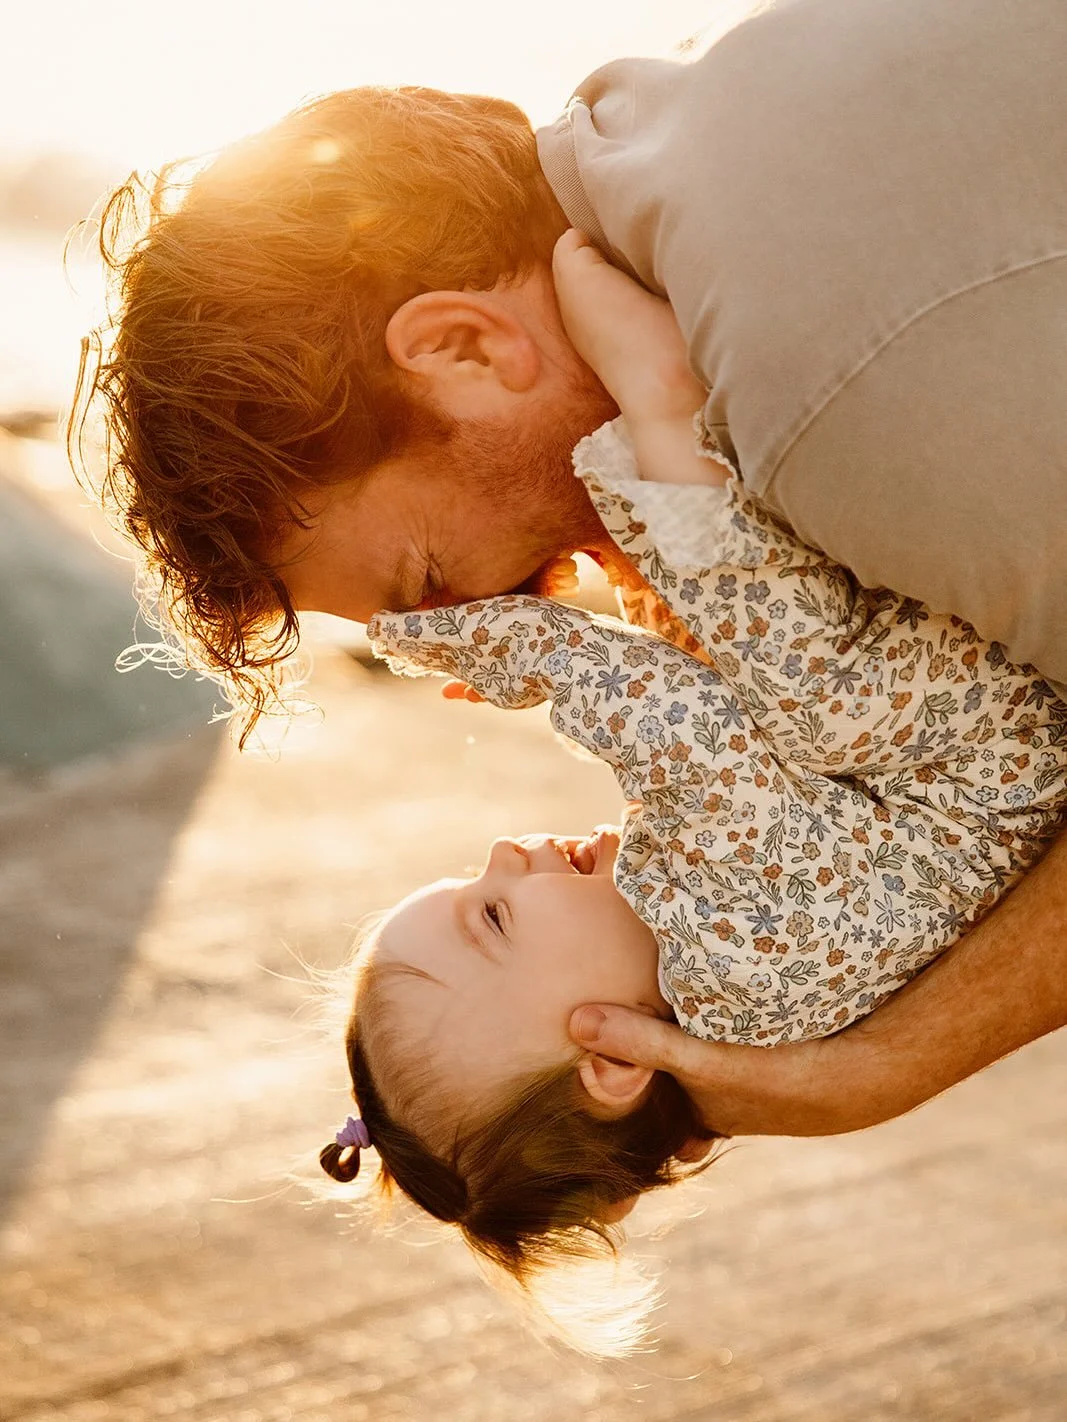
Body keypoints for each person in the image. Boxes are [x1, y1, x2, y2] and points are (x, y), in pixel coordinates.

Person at [72, 0, 1067, 1134]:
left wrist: (886, 1068)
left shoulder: (817, 408)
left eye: (440, 581)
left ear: (463, 348)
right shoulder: (693, 118)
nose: (505, 600)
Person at [317, 257, 1066, 1352]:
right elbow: (672, 722)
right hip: (991, 749)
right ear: (611, 1058)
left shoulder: (712, 972)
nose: (502, 855)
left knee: (765, 677)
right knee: (815, 693)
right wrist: (507, 642)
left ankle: (666, 466)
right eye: (491, 916)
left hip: (957, 738)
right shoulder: (736, 980)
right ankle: (661, 418)